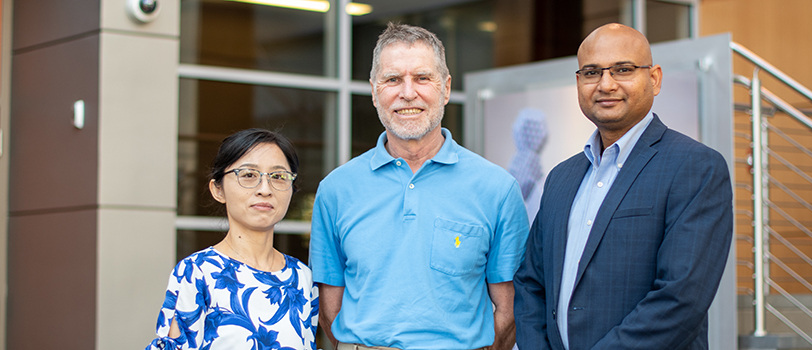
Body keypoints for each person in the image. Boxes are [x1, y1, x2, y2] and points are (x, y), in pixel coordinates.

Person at [310, 23, 529, 350]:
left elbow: (510, 309)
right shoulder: (335, 191)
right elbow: (329, 311)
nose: (408, 93)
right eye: (392, 79)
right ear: (373, 91)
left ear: (446, 88)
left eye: (423, 78)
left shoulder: (497, 189)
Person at [513, 23, 733, 350]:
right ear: (579, 83)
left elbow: (681, 297)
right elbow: (531, 284)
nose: (606, 84)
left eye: (623, 70)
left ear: (654, 78)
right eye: (591, 73)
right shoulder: (561, 177)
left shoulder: (695, 166)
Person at [146, 129, 319, 350]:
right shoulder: (197, 272)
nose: (265, 189)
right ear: (218, 190)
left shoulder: (302, 277)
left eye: (278, 176)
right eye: (248, 175)